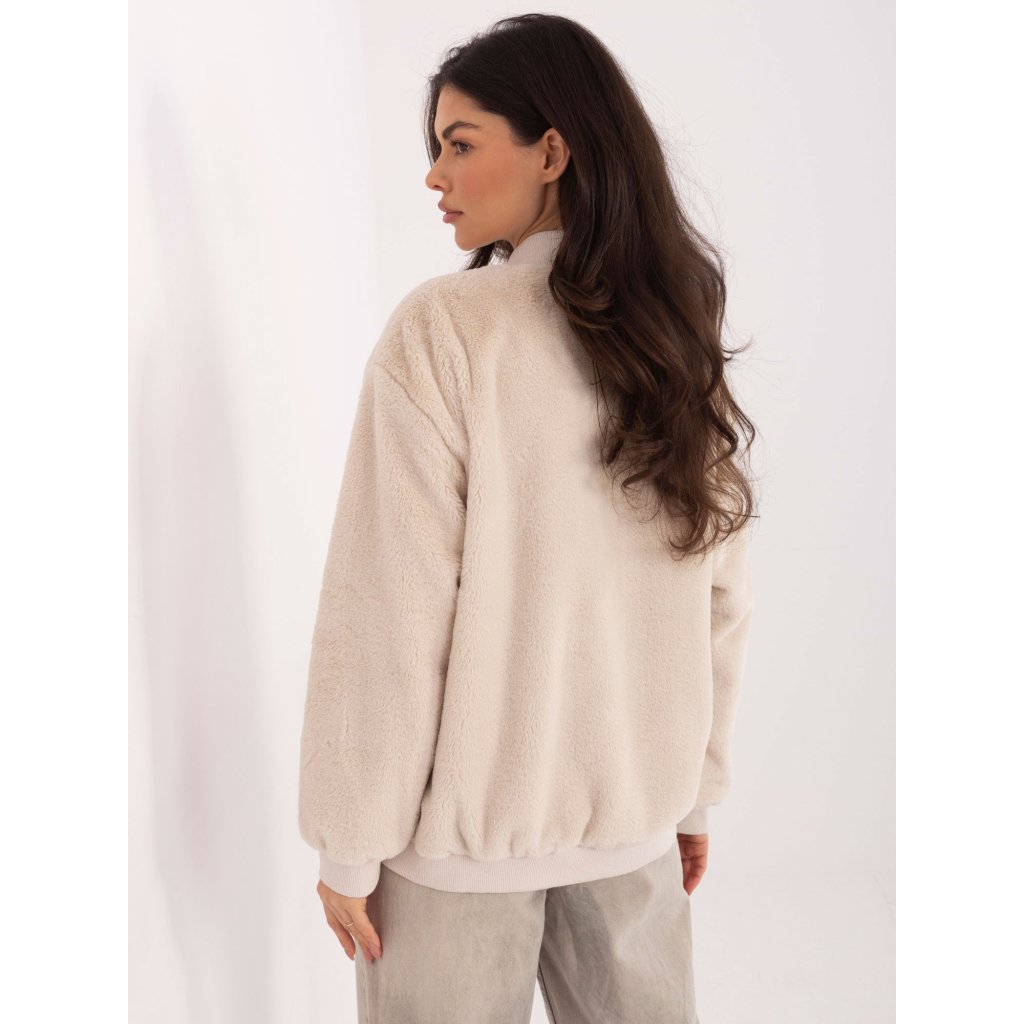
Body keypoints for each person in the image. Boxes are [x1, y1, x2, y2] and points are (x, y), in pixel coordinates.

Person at [298, 12, 758, 1023]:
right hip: (634, 835)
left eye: (460, 144)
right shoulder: (671, 329)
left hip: (457, 858)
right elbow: (719, 590)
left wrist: (348, 842)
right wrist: (693, 789)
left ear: (552, 151)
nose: (435, 176)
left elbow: (389, 610)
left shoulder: (446, 331)